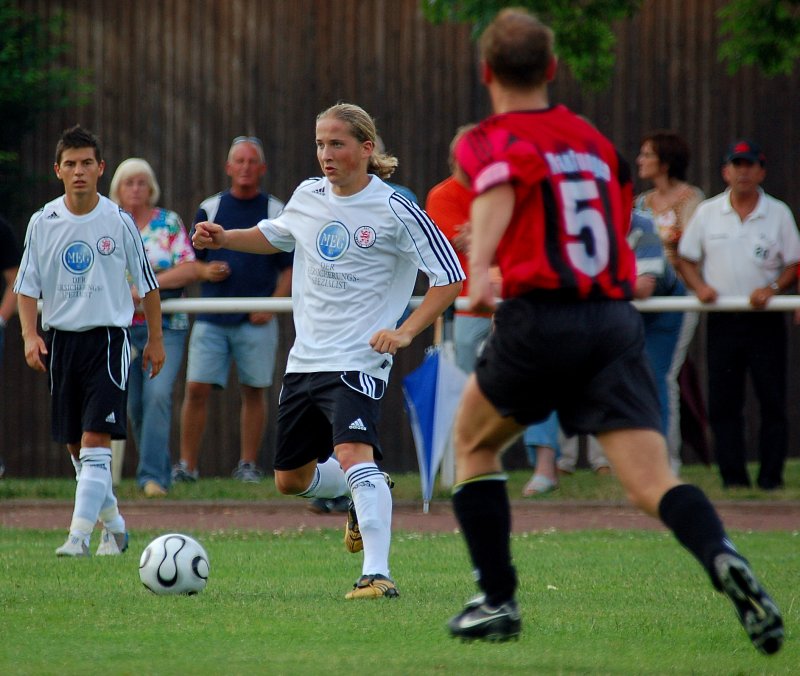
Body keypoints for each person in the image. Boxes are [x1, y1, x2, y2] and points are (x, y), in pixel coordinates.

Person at [446, 10, 783, 656]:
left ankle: (497, 600)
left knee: (472, 444)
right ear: (552, 68)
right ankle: (723, 554)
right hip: (611, 318)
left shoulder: (490, 138)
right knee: (653, 483)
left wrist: (482, 266)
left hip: (541, 315)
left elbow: (499, 183)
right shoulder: (595, 142)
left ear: (486, 72)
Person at [192, 102, 463, 599]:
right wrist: (226, 236)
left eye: (336, 143)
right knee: (290, 479)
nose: (325, 154)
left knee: (353, 452)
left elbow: (450, 276)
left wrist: (405, 332)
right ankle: (365, 488)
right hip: (305, 360)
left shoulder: (395, 208)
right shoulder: (308, 195)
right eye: (320, 144)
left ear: (366, 148)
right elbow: (276, 236)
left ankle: (376, 573)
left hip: (359, 357)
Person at [14, 125, 165, 556]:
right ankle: (114, 527)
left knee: (96, 440)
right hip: (61, 343)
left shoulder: (118, 220)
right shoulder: (43, 222)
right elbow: (26, 287)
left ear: (101, 168)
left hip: (108, 343)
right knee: (77, 445)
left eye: (86, 163)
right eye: (70, 164)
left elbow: (148, 284)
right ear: (57, 170)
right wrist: (30, 335)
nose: (78, 171)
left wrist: (155, 339)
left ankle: (77, 536)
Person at [678, 140, 800, 491]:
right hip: (723, 318)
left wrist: (773, 288)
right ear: (725, 172)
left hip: (764, 319)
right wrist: (700, 286)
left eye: (750, 165)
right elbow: (686, 257)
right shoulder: (708, 212)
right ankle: (733, 479)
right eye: (737, 164)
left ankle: (771, 478)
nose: (743, 172)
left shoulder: (777, 213)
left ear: (761, 171)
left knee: (771, 399)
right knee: (724, 401)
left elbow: (794, 264)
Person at [173, 136, 293, 484]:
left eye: (251, 161)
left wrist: (272, 305)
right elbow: (190, 262)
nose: (245, 167)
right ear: (228, 167)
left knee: (254, 390)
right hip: (211, 317)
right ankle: (187, 467)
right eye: (239, 161)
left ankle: (248, 466)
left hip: (256, 320)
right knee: (196, 389)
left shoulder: (276, 210)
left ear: (262, 168)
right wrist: (205, 271)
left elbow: (290, 268)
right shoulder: (210, 209)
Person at [109, 158, 200, 497]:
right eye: (129, 182)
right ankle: (159, 471)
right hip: (120, 328)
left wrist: (146, 288)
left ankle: (152, 478)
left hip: (166, 326)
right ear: (117, 189)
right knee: (134, 405)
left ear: (151, 189)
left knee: (158, 395)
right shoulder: (109, 223)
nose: (135, 189)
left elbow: (189, 268)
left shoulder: (168, 222)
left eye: (141, 183)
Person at [635, 130, 705, 472]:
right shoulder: (641, 203)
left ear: (665, 161)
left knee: (663, 375)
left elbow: (692, 249)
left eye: (648, 154)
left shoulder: (692, 200)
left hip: (678, 296)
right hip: (643, 296)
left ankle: (668, 459)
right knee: (640, 375)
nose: (641, 161)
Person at [629, 209, 690, 468]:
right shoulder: (587, 220)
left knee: (655, 379)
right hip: (623, 306)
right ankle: (631, 462)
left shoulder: (642, 222)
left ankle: (661, 463)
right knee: (617, 380)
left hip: (663, 305)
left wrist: (597, 283)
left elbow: (644, 288)